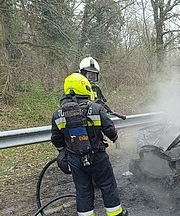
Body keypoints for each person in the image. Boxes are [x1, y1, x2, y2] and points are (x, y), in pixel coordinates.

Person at [51, 73, 128, 216]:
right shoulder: (95, 108)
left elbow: (56, 138)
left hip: (74, 159)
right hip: (97, 156)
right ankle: (115, 214)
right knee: (107, 185)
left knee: (83, 190)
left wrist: (63, 151)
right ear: (85, 88)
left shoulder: (58, 114)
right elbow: (109, 128)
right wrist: (115, 138)